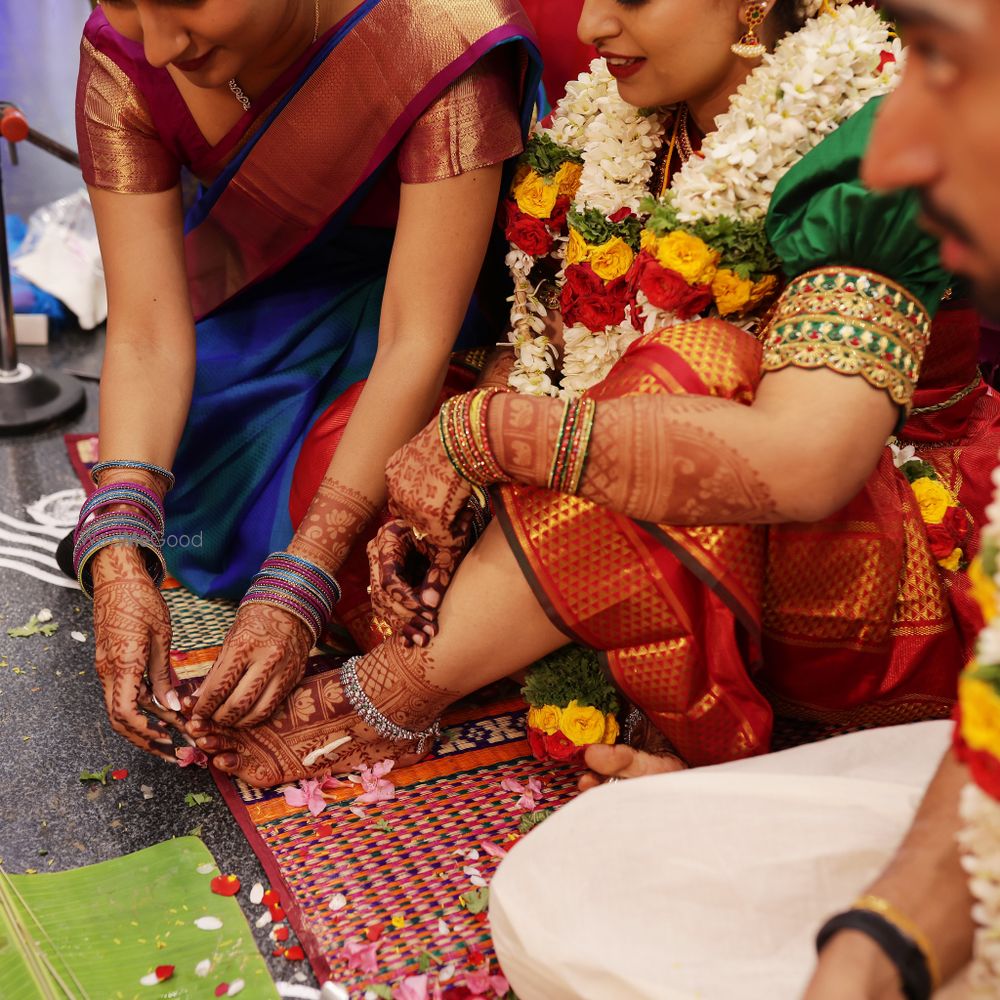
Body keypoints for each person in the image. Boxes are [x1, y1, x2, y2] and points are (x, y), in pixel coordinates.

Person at [193, 0, 998, 793]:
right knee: (367, 439)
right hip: (668, 489)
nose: (589, 28)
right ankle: (562, 621)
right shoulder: (630, 117)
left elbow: (806, 462)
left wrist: (492, 436)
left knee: (687, 374)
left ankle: (401, 690)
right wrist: (476, 425)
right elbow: (561, 354)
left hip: (879, 550)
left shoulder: (884, 128)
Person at [71, 0, 540, 760]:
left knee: (388, 538)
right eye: (122, 1)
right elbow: (150, 332)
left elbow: (412, 338)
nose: (156, 47)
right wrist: (120, 546)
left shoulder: (431, 36)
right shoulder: (119, 51)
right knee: (164, 470)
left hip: (415, 323)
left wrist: (305, 574)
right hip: (248, 323)